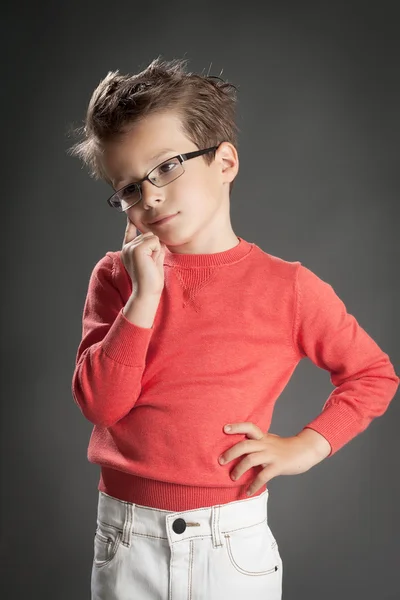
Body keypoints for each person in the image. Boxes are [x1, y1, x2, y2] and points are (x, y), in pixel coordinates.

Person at [68, 56, 399, 600]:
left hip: (231, 542)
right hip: (128, 537)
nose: (149, 196)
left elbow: (373, 374)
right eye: (128, 188)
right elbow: (101, 405)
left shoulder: (288, 287)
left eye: (167, 167)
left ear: (225, 162)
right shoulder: (117, 277)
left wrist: (308, 447)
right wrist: (145, 297)